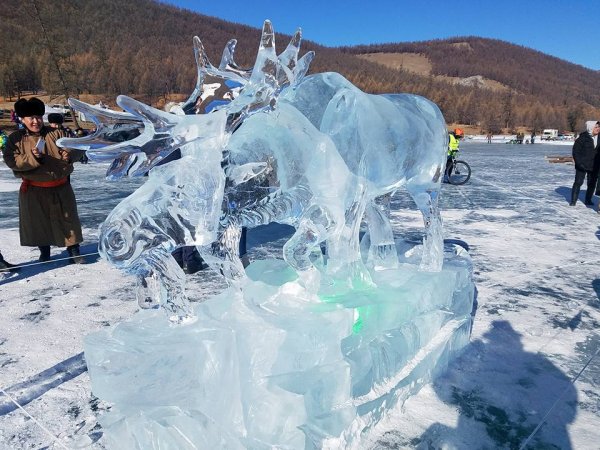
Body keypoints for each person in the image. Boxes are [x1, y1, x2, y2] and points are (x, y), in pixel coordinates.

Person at [2, 97, 87, 263]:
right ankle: (44, 252)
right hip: (33, 190)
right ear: (23, 119)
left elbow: (78, 147)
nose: (36, 121)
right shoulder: (15, 139)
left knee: (68, 220)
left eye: (39, 117)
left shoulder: (57, 133)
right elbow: (12, 161)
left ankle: (74, 250)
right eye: (31, 118)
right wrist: (32, 157)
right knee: (39, 223)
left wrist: (70, 154)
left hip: (61, 187)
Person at [570, 120, 600, 206]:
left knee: (591, 184)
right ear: (590, 128)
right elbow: (575, 151)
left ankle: (588, 200)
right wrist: (579, 163)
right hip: (582, 165)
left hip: (594, 165)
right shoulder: (582, 138)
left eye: (599, 127)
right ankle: (573, 201)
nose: (598, 129)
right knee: (578, 182)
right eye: (596, 127)